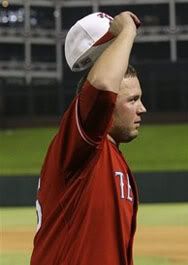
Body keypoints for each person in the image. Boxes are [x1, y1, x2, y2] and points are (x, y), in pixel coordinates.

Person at [30, 11, 146, 265]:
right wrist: (126, 30)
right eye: (133, 100)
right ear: (108, 104)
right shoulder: (81, 142)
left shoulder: (107, 154)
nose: (142, 109)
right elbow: (103, 86)